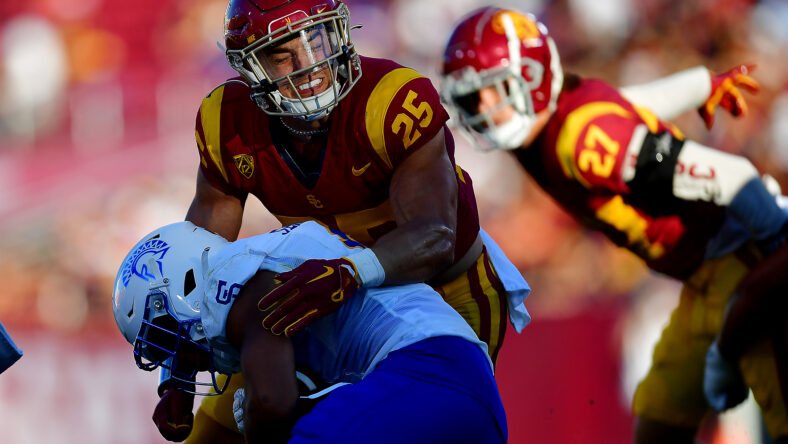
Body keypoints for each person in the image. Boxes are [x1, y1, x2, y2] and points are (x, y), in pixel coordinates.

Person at [171, 0, 532, 441]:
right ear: (250, 66)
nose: (308, 66)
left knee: (421, 426)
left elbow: (434, 236)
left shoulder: (392, 99)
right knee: (214, 431)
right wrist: (179, 372)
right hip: (327, 295)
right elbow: (198, 263)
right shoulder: (227, 120)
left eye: (315, 40)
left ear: (338, 32)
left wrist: (351, 271)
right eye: (283, 52)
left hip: (444, 294)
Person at [439, 6, 788, 444]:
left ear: (531, 76)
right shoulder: (561, 117)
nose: (484, 110)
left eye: (493, 92)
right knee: (659, 420)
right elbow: (625, 103)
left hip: (738, 261)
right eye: (472, 99)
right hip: (701, 276)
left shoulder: (582, 141)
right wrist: (702, 84)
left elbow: (731, 175)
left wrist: (776, 240)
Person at [112, 220, 507, 443]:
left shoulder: (242, 287)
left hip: (433, 374)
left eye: (167, 339)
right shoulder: (243, 272)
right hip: (457, 395)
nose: (182, 359)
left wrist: (271, 417)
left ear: (182, 288)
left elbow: (272, 403)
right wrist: (172, 384)